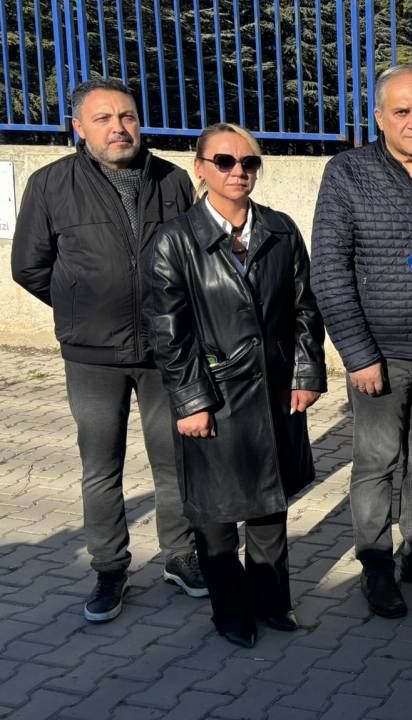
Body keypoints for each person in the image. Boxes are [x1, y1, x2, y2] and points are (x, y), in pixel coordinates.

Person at [10, 77, 205, 623]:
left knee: (175, 461)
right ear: (79, 127)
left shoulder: (171, 180)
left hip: (165, 351)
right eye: (103, 119)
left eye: (127, 117)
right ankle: (109, 568)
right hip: (92, 355)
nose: (118, 128)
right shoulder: (51, 184)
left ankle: (180, 555)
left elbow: (191, 257)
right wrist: (79, 305)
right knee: (100, 467)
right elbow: (28, 265)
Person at [145, 123, 327, 648]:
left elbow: (304, 310)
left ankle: (273, 601)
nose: (238, 172)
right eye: (224, 161)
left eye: (249, 162)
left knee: (270, 502)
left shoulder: (280, 229)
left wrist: (305, 374)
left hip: (274, 392)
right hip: (214, 396)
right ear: (200, 168)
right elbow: (168, 331)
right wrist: (191, 401)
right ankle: (230, 612)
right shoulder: (176, 240)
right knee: (216, 513)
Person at [311, 66, 412, 618]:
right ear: (380, 117)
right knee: (376, 463)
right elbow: (329, 270)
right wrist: (357, 354)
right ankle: (376, 565)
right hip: (378, 354)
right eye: (402, 112)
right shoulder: (347, 174)